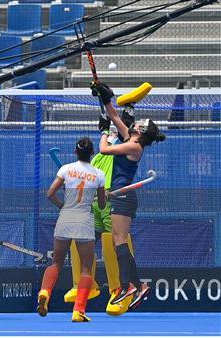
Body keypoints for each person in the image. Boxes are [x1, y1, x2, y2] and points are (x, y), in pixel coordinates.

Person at [92, 82, 166, 309]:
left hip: (123, 197)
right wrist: (106, 98)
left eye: (141, 123)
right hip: (117, 196)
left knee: (119, 241)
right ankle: (137, 286)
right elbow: (114, 115)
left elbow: (104, 149)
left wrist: (104, 132)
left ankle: (128, 285)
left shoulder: (134, 147)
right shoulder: (129, 139)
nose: (138, 122)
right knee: (117, 242)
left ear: (142, 131)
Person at [37, 137, 106, 322]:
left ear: (75, 152)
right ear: (92, 153)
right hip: (84, 219)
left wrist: (62, 206)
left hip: (66, 217)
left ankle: (45, 292)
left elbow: (50, 193)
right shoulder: (99, 174)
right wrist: (104, 195)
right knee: (86, 269)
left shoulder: (66, 169)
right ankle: (78, 311)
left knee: (56, 264)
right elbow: (101, 204)